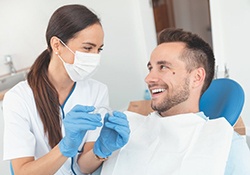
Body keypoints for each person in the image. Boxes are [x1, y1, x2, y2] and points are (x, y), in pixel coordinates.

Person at [100, 28, 250, 175]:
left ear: (196, 77)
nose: (148, 79)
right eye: (150, 68)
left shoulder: (227, 146)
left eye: (163, 67)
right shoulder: (127, 132)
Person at [3, 4, 130, 175]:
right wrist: (65, 147)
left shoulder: (97, 91)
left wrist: (101, 150)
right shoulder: (19, 98)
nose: (95, 57)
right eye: (87, 48)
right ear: (56, 45)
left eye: (98, 49)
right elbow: (22, 172)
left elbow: (83, 167)